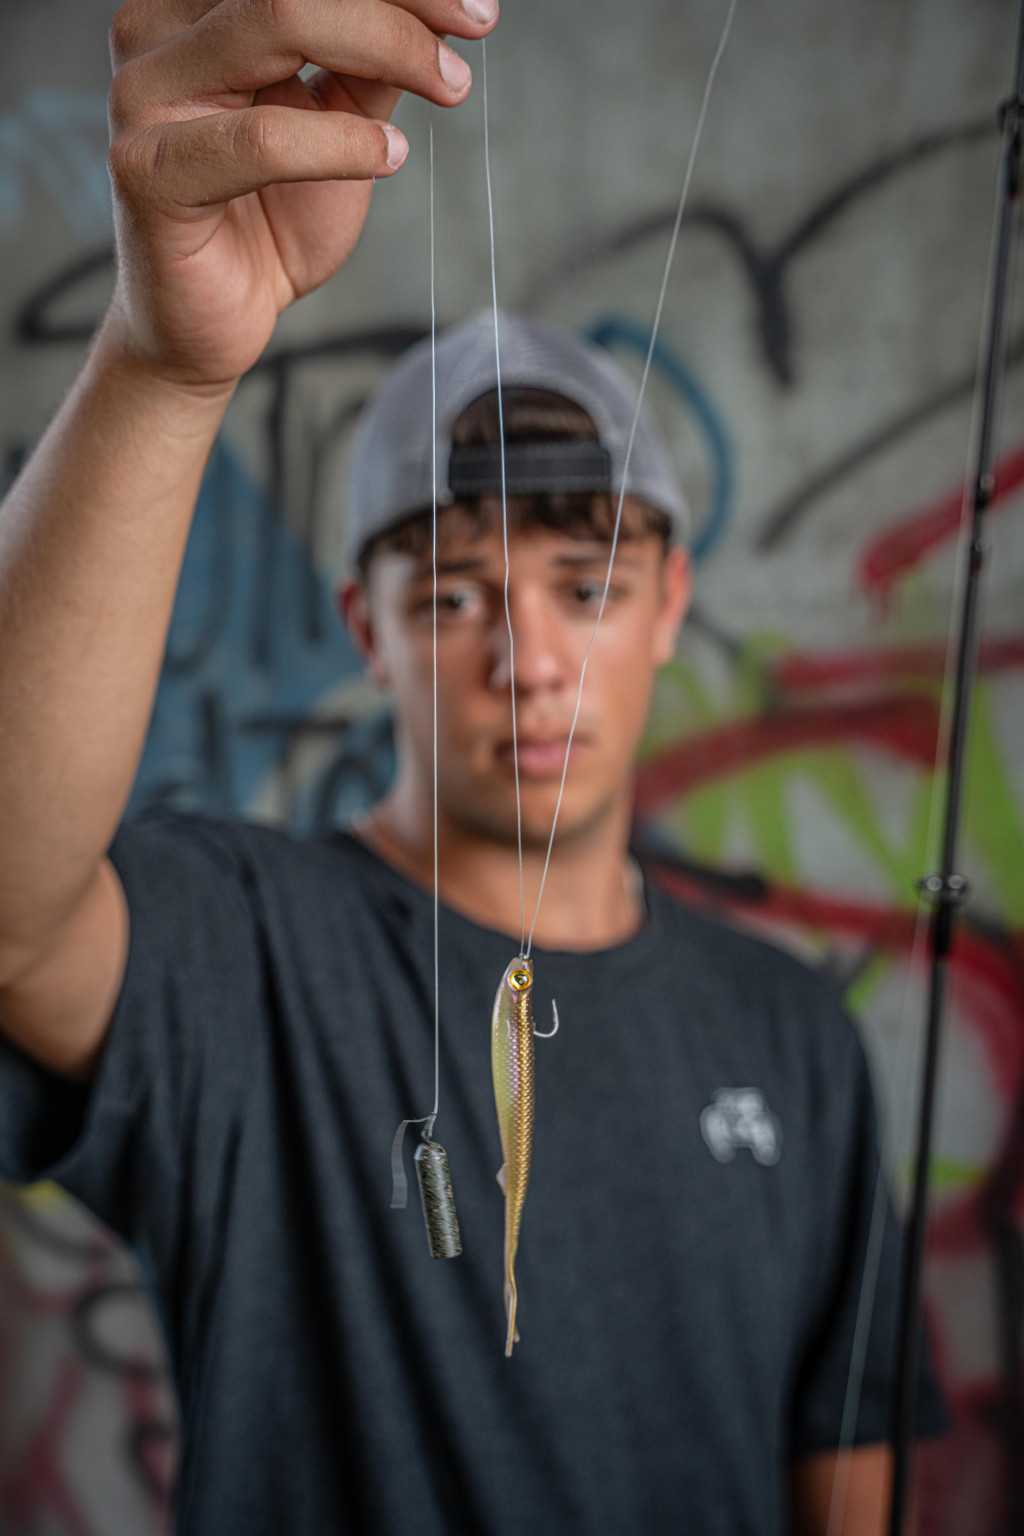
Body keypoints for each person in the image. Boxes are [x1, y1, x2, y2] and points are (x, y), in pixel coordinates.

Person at [0, 2, 945, 1533]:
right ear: (361, 630)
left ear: (671, 606)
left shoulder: (793, 1038)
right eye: (449, 597)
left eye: (587, 585)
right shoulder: (242, 949)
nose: (529, 658)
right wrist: (164, 369)